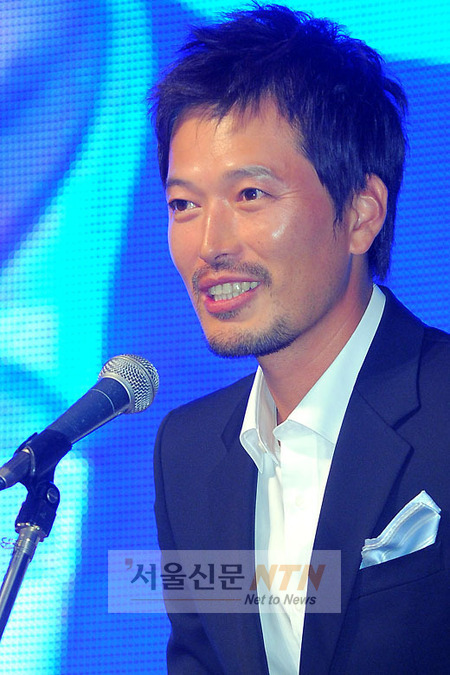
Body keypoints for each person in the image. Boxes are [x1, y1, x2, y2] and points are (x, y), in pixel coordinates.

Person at [151, 5, 450, 673]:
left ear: (362, 214)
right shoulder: (187, 452)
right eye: (183, 204)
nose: (209, 244)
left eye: (250, 195)